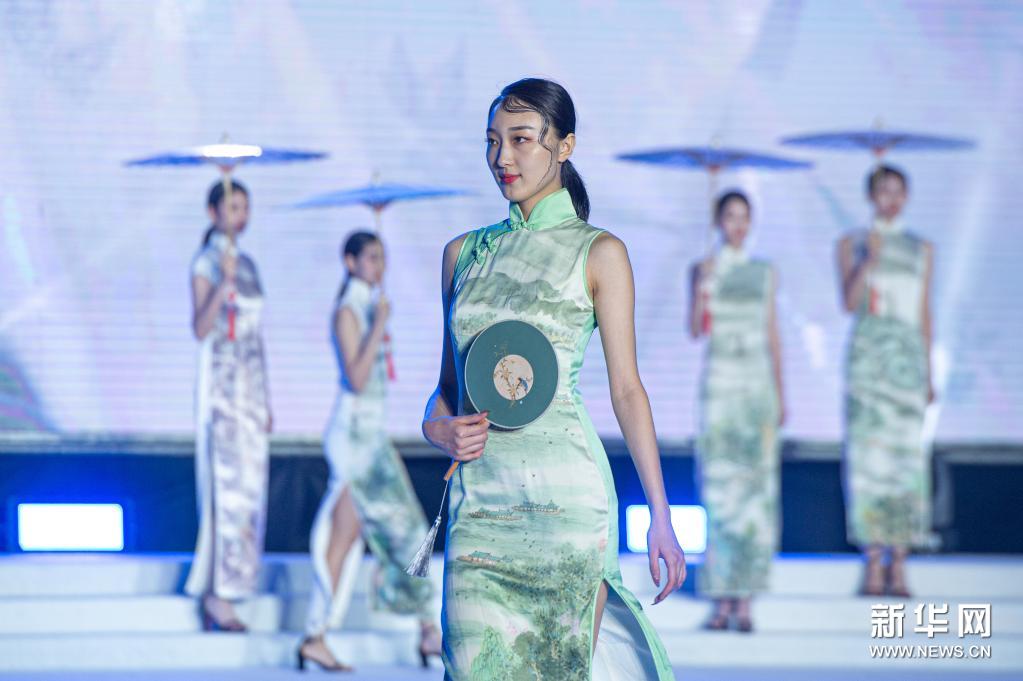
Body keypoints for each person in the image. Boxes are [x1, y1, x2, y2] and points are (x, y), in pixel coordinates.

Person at [422, 77, 685, 680]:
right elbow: (447, 389)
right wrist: (438, 430)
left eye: (520, 139)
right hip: (479, 507)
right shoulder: (463, 254)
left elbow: (627, 390)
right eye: (492, 141)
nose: (502, 157)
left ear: (564, 146)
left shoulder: (599, 252)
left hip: (566, 508)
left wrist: (661, 516)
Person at [298, 231, 441, 671]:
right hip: (353, 438)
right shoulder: (348, 311)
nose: (380, 266)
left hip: (372, 438)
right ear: (350, 261)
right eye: (372, 257)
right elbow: (356, 380)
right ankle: (318, 635)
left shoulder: (367, 307)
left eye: (383, 257)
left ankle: (425, 630)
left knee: (399, 530)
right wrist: (378, 324)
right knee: (362, 535)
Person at [836, 165, 935, 598]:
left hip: (906, 366)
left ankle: (902, 562)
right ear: (870, 196)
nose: (890, 199)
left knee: (906, 464)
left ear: (907, 196)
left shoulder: (922, 248)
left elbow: (924, 312)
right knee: (868, 463)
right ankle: (874, 561)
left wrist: (928, 370)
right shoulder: (853, 243)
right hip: (869, 365)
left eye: (898, 191)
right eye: (883, 191)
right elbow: (848, 302)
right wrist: (868, 259)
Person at [688, 191, 785, 632]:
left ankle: (745, 598)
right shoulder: (703, 269)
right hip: (720, 390)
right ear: (718, 221)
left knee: (756, 495)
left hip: (756, 389)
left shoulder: (764, 272)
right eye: (730, 216)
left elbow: (772, 333)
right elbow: (695, 329)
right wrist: (703, 286)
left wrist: (781, 394)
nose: (738, 225)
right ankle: (721, 595)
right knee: (720, 492)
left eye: (745, 217)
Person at [184, 179, 272, 631]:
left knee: (251, 491)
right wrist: (223, 280)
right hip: (220, 389)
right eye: (233, 206)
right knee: (226, 488)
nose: (241, 215)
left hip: (249, 390)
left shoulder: (250, 264)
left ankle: (234, 586)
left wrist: (266, 398)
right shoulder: (206, 261)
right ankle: (217, 594)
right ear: (213, 211)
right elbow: (200, 328)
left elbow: (256, 337)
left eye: (245, 207)